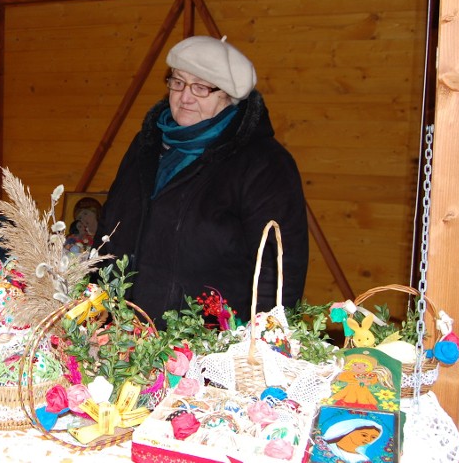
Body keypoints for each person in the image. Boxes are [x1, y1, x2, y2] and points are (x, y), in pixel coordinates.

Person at [97, 35, 308, 324]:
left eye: (200, 87)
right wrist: (95, 301)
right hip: (122, 334)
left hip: (207, 343)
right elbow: (111, 222)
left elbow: (280, 269)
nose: (185, 96)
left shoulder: (264, 164)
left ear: (230, 97)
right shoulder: (146, 145)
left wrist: (261, 343)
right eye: (178, 82)